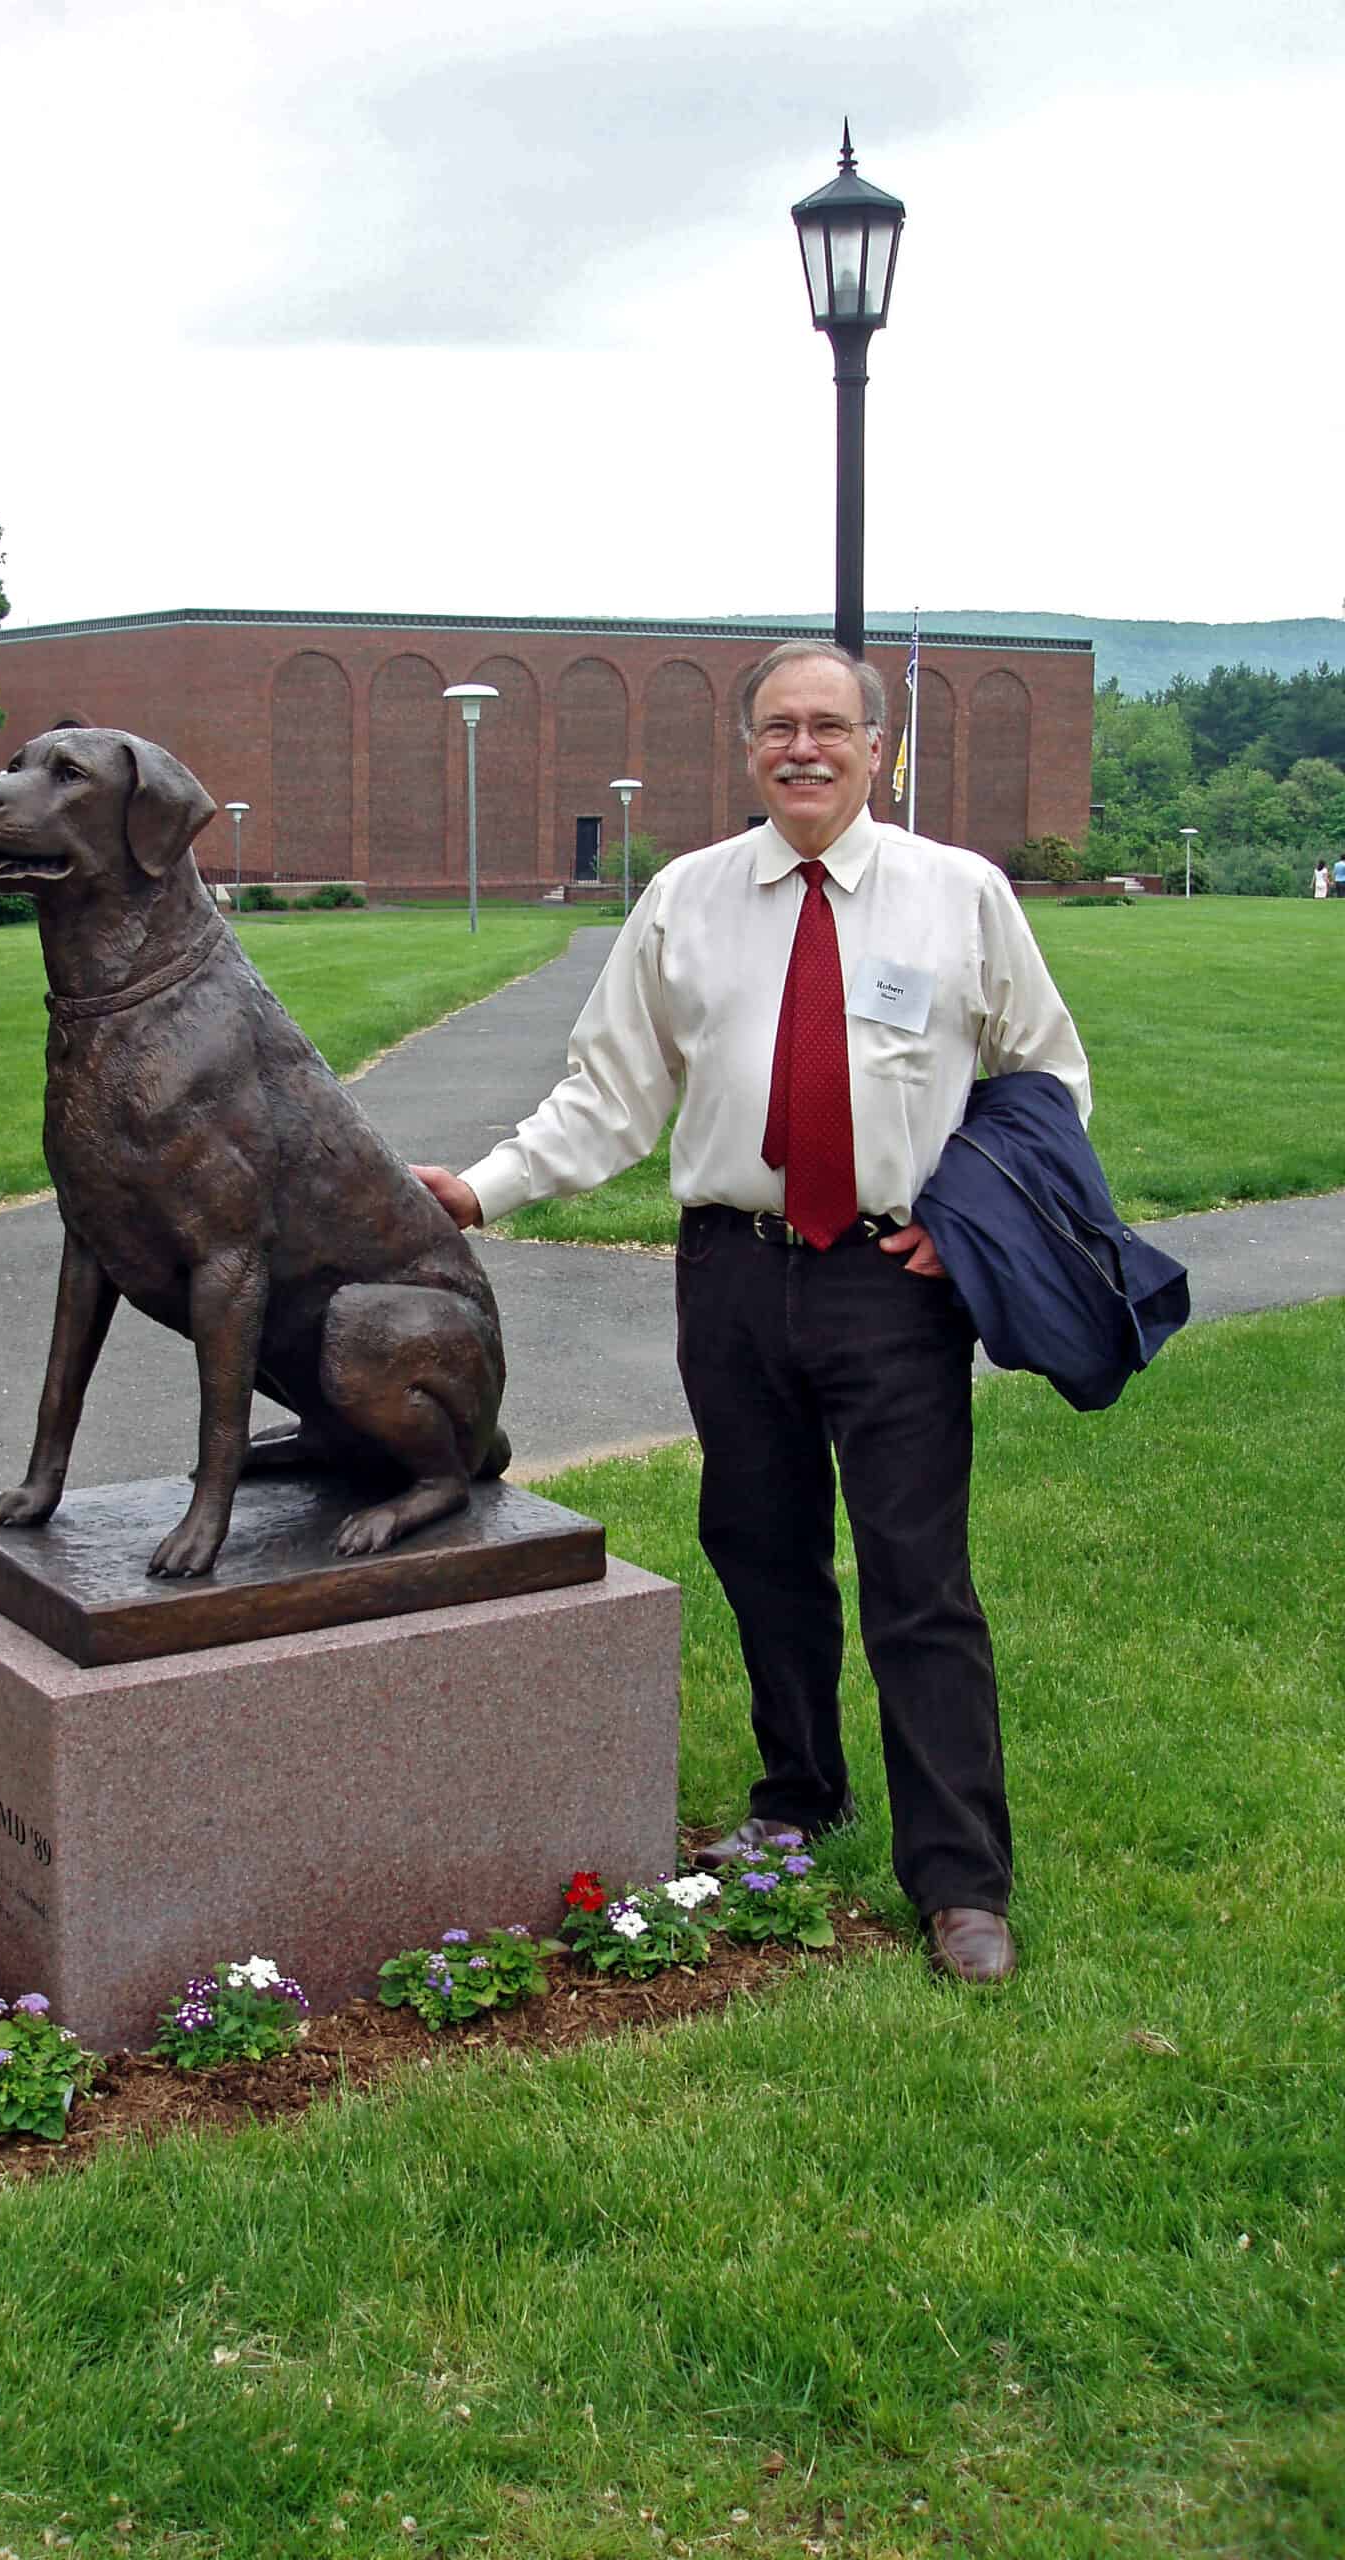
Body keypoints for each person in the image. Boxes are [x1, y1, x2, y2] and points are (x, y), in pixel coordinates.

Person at [412, 639, 1091, 1986]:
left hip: (889, 1282)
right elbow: (609, 1096)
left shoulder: (959, 897)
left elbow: (1047, 1081)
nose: (803, 749)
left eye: (829, 727)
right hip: (731, 1274)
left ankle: (960, 1880)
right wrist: (482, 1191)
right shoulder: (686, 901)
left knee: (918, 1578)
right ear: (747, 752)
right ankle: (799, 1796)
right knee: (761, 1547)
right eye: (778, 727)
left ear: (875, 749)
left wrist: (971, 1228)